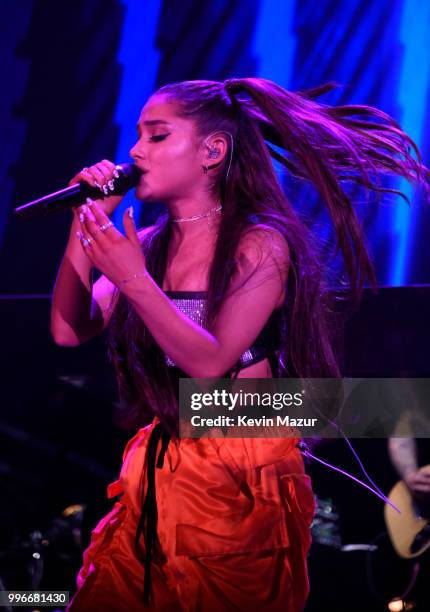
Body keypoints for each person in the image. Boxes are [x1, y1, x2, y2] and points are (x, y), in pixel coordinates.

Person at [50, 77, 430, 611]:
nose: (135, 151)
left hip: (238, 461)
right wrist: (85, 226)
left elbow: (210, 363)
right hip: (164, 461)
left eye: (157, 136)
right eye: (137, 136)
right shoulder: (153, 245)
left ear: (213, 150)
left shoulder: (260, 242)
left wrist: (134, 278)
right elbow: (69, 329)